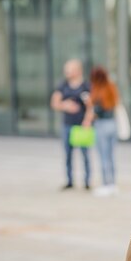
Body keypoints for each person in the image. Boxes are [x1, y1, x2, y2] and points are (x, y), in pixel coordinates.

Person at [50, 59, 94, 190]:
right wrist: (65, 105)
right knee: (68, 154)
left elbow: (91, 106)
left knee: (85, 154)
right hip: (67, 125)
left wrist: (87, 120)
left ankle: (87, 181)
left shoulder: (86, 86)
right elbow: (54, 103)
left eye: (70, 69)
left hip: (81, 126)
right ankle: (69, 181)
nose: (67, 72)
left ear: (78, 70)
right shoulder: (63, 86)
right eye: (66, 70)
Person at [89, 66, 120, 196]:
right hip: (112, 124)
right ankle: (112, 183)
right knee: (111, 156)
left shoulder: (98, 91)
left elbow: (97, 111)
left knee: (103, 156)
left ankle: (105, 184)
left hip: (101, 125)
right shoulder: (111, 88)